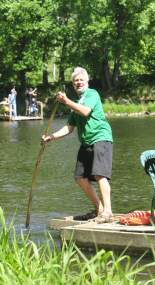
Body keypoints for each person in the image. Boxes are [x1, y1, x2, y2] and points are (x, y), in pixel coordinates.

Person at [41, 67, 114, 223]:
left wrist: (66, 101)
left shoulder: (92, 94)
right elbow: (69, 128)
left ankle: (108, 212)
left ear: (87, 81)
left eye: (81, 80)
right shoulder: (77, 103)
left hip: (100, 137)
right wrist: (51, 137)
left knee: (100, 174)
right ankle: (99, 209)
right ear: (73, 85)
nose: (78, 83)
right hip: (86, 142)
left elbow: (86, 111)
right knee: (79, 177)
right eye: (75, 81)